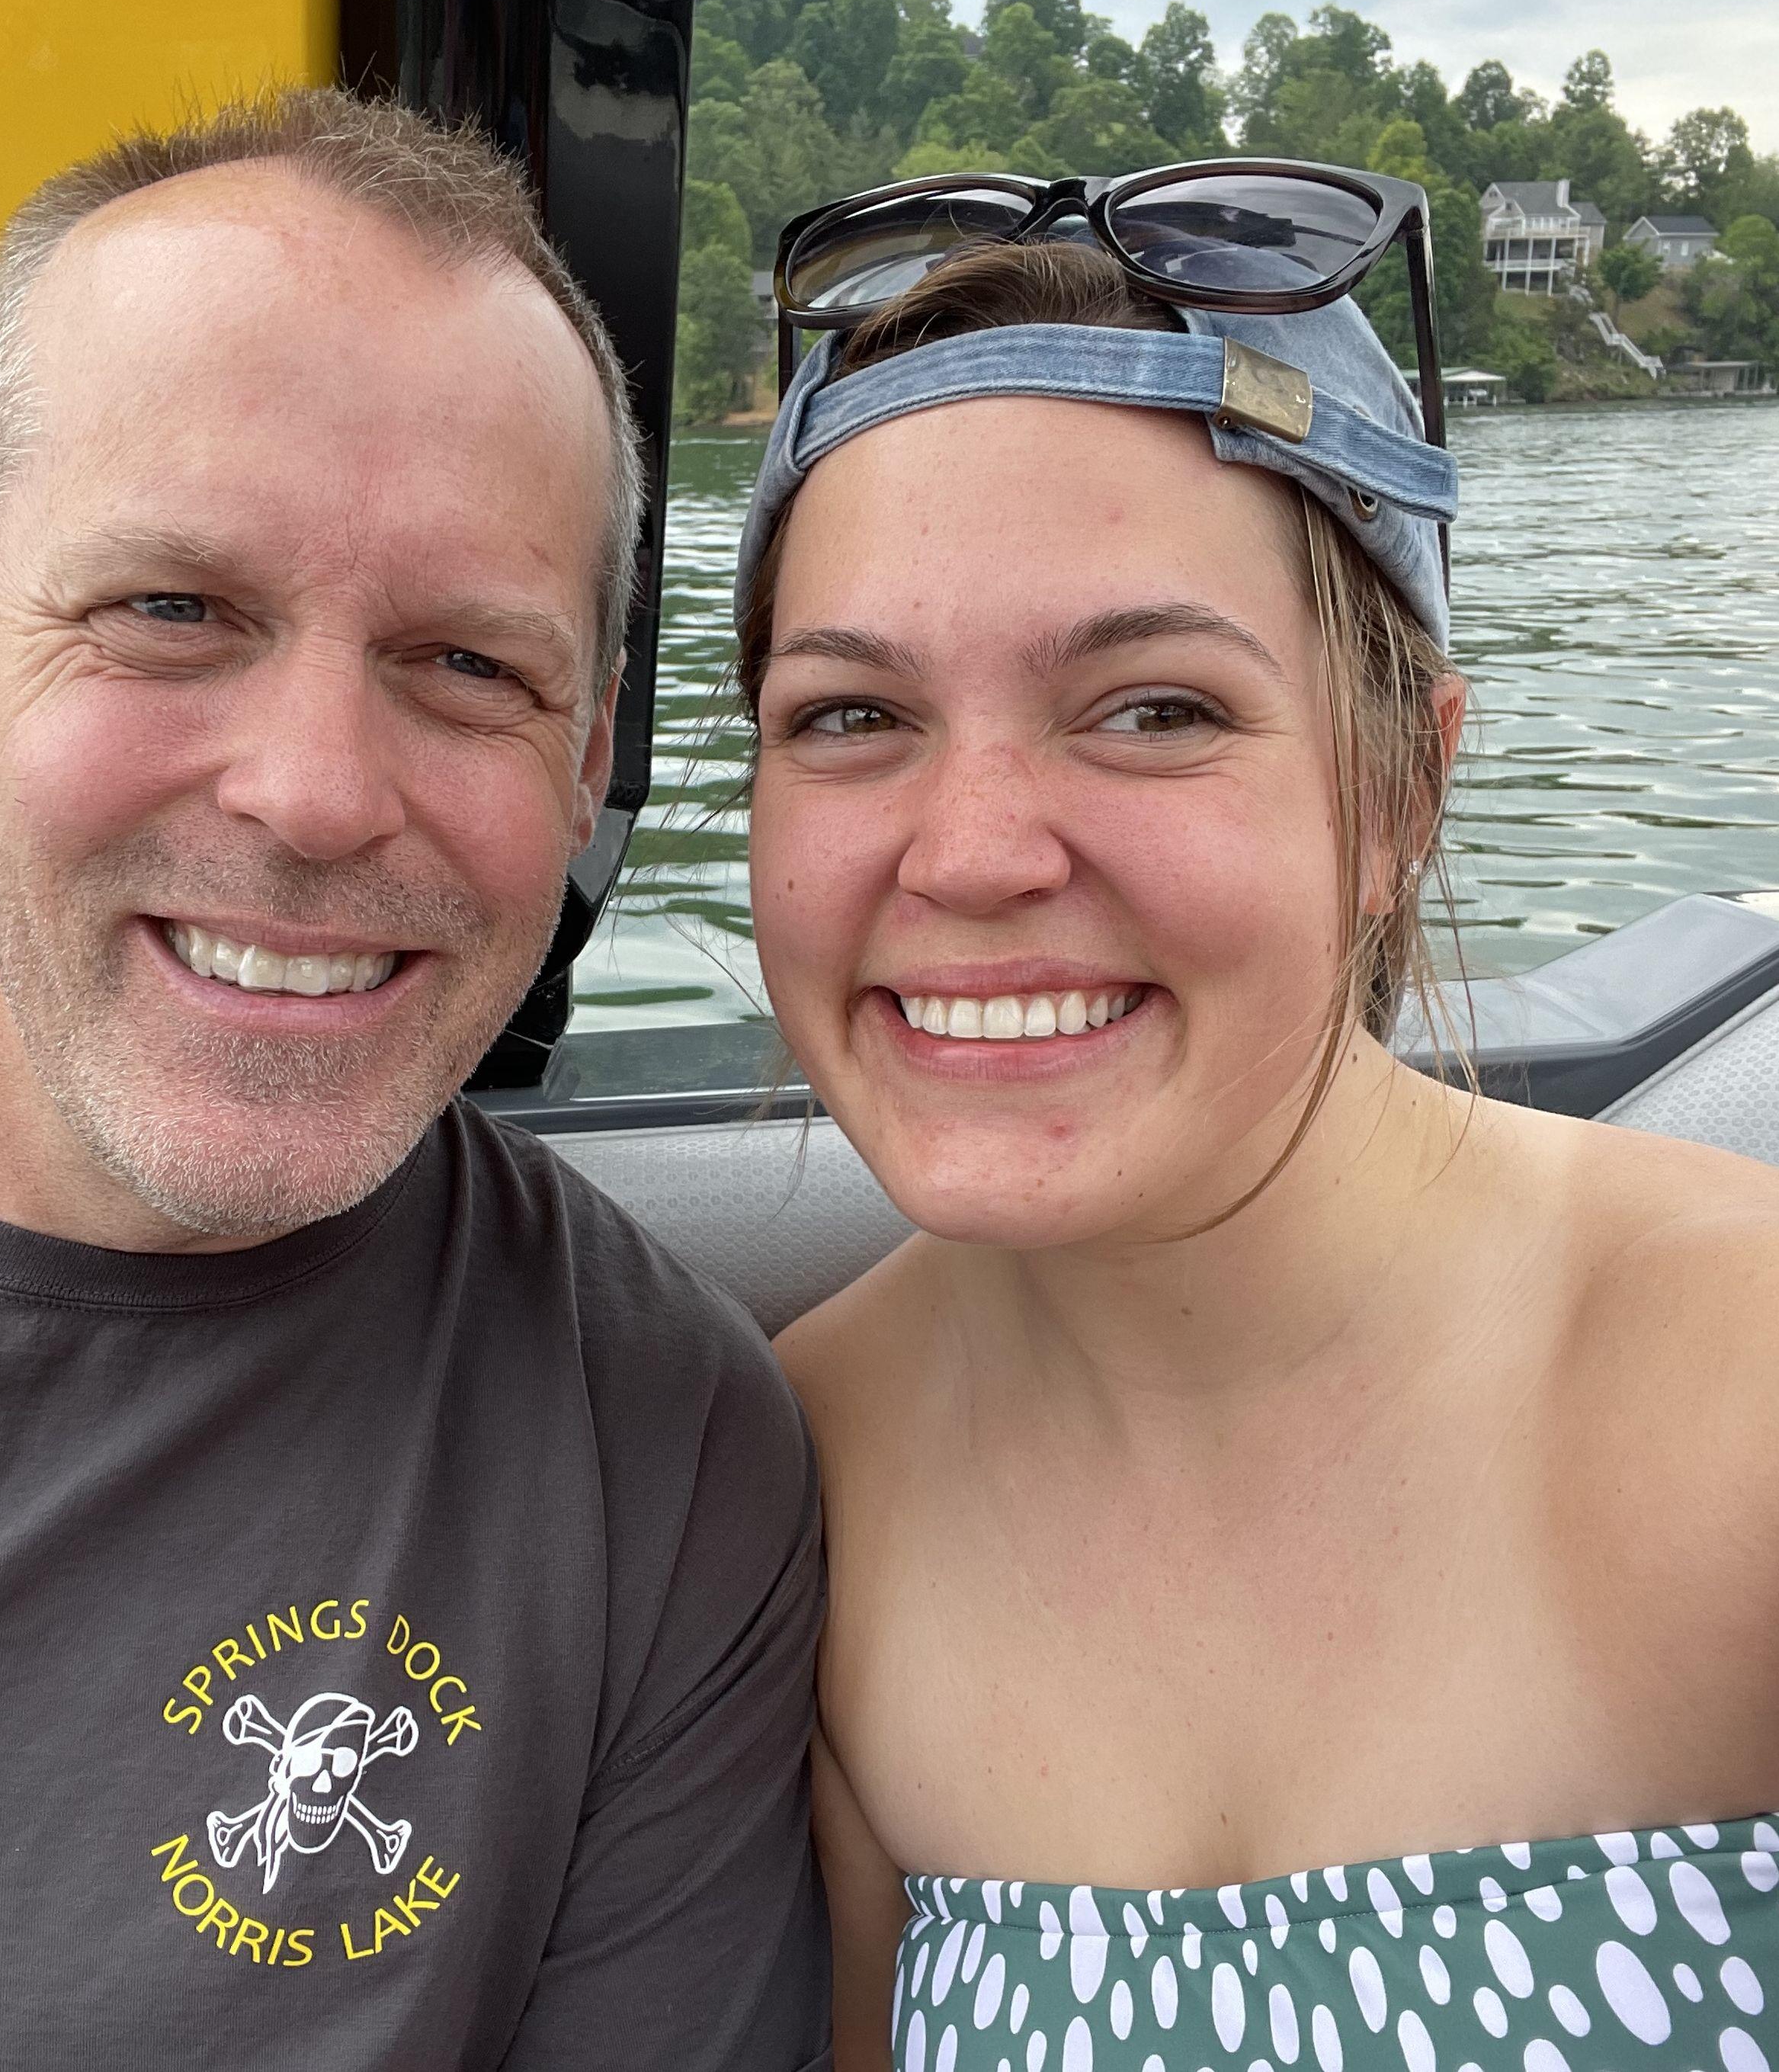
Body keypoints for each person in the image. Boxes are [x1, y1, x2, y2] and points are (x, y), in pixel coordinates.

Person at [0, 90, 827, 2070]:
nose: (312, 791)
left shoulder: (658, 1450)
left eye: (468, 663)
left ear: (585, 763)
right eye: (173, 610)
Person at [735, 172, 1779, 2072]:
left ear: (1400, 794)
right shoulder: (799, 1467)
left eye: (1152, 711)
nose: (970, 852)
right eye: (851, 717)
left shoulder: (1745, 1395)